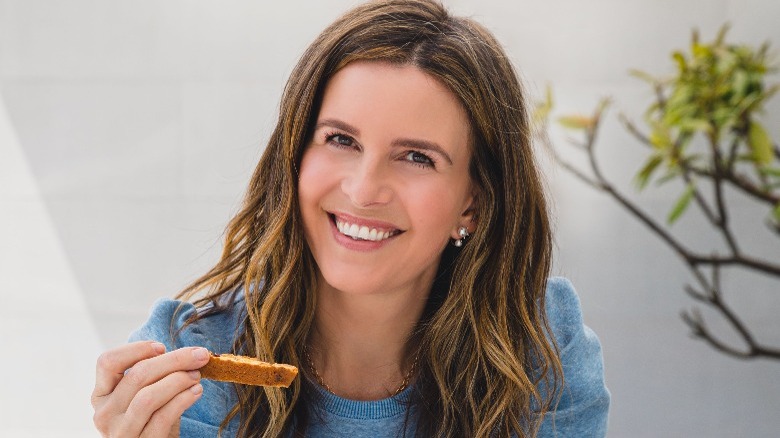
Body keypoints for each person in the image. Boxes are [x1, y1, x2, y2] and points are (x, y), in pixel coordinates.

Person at [91, 0, 610, 436]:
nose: (363, 190)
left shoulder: (540, 346)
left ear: (472, 203)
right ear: (295, 156)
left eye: (416, 157)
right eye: (341, 140)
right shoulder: (193, 360)